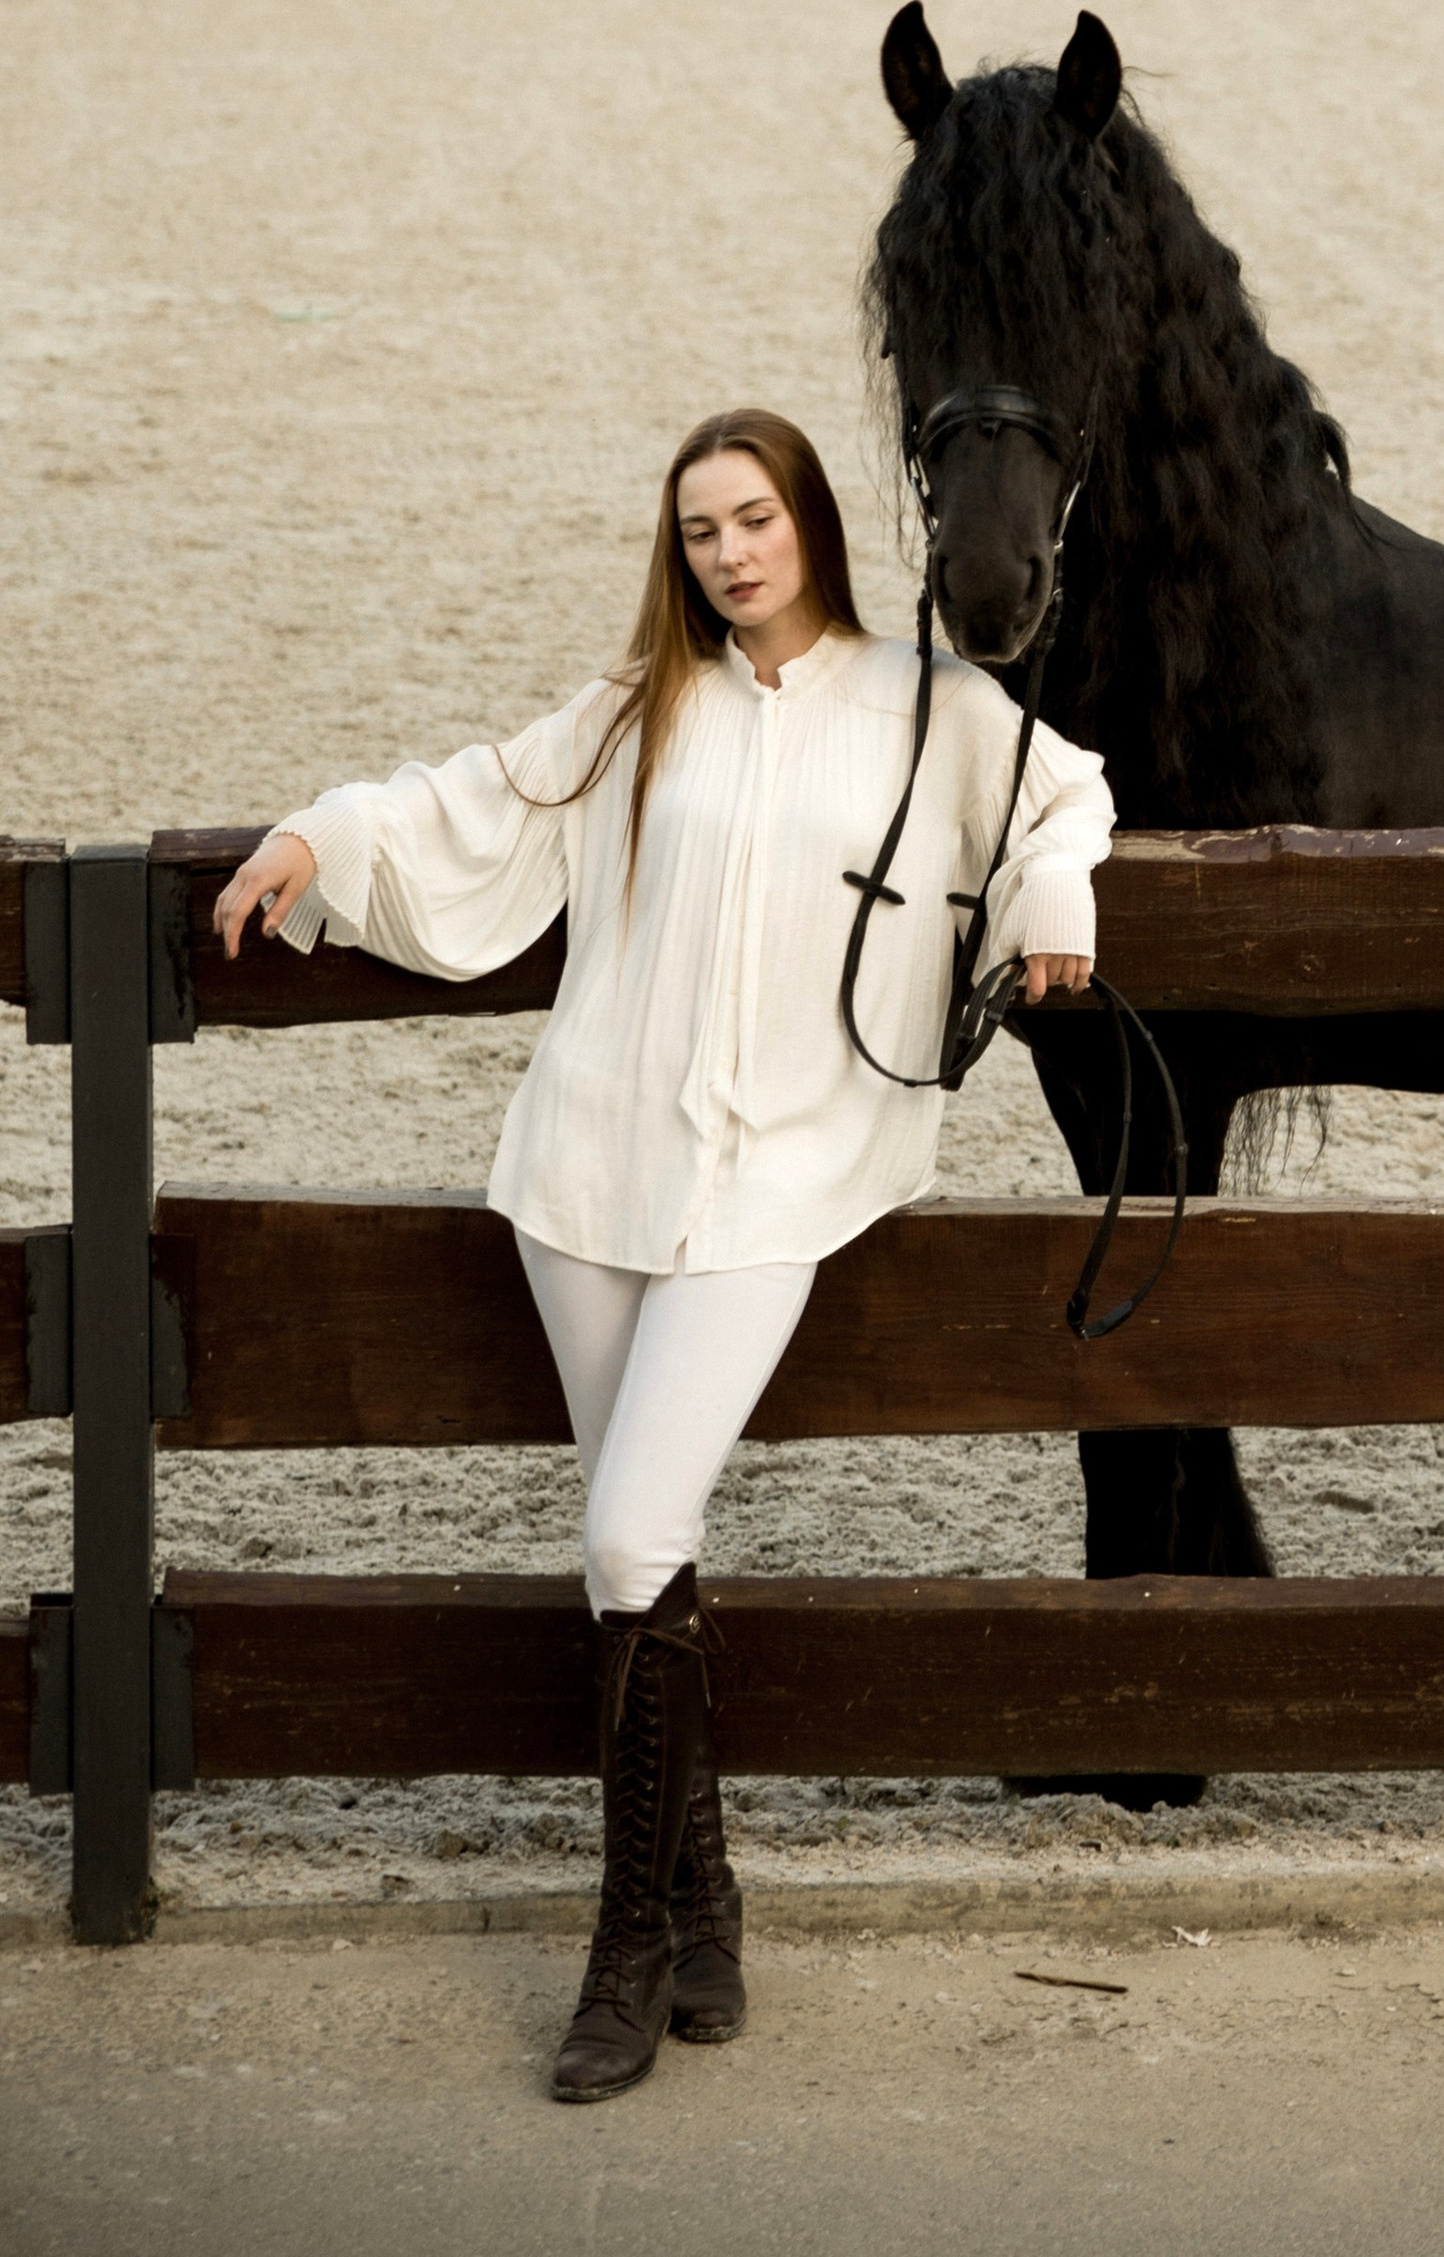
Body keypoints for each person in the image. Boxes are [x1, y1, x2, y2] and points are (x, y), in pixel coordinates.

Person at [213, 406, 1111, 2105]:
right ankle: (706, 1908)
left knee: (625, 1525)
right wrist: (327, 832)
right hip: (591, 1170)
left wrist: (1055, 907)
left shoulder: (937, 706)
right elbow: (473, 801)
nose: (730, 552)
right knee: (648, 1551)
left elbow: (1068, 799)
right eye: (700, 529)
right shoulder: (644, 706)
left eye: (754, 517)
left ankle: (623, 1947)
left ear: (810, 524)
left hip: (776, 1184)